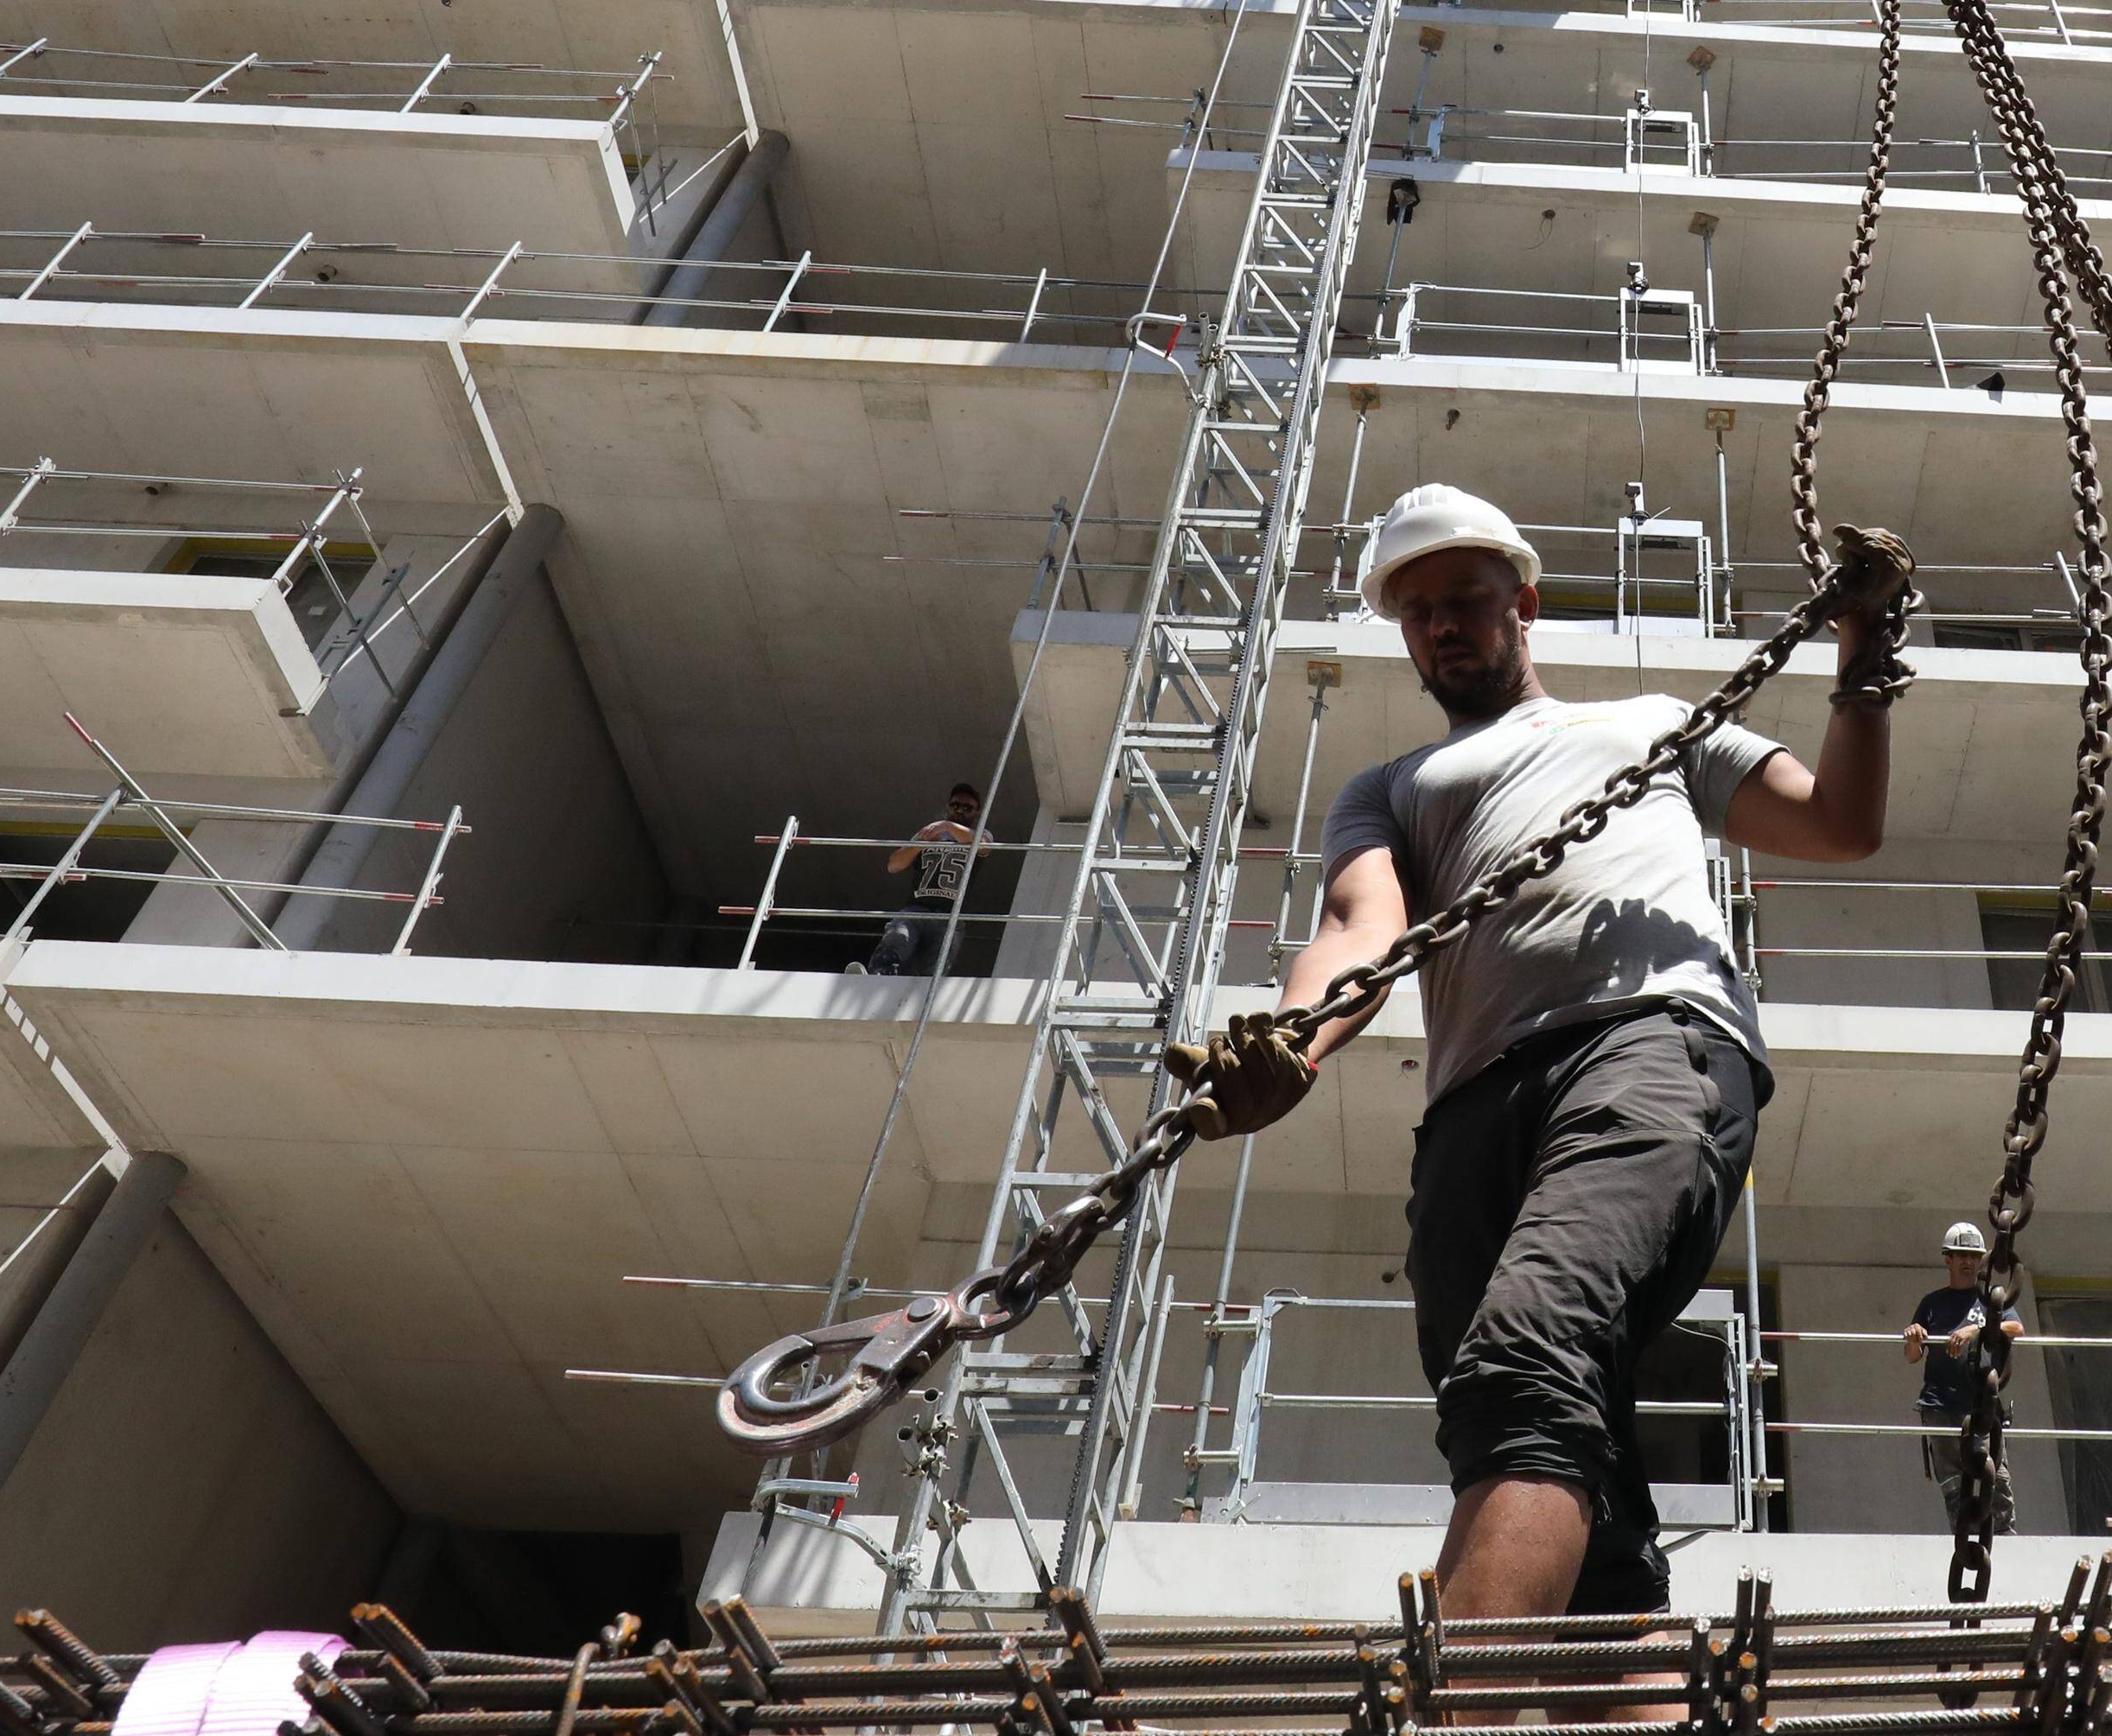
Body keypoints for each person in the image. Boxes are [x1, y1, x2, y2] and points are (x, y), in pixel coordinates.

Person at [1161, 482, 1901, 1622]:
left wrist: (1862, 664)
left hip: (1644, 1048)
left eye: (1466, 597)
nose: (1444, 623)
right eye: (1419, 612)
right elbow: (1363, 929)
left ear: (1524, 603)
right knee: (1527, 1439)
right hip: (1469, 1118)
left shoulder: (1656, 723)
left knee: (1526, 1358)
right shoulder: (1389, 788)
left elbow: (1840, 823)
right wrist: (1287, 1050)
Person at [1905, 1219, 2021, 1524]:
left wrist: (1976, 1329)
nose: (1968, 1262)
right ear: (1948, 1259)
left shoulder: (1990, 1301)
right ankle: (1962, 1535)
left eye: (1973, 1257)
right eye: (1961, 1256)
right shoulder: (1932, 1304)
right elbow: (1913, 1357)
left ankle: (2005, 1535)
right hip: (1939, 1405)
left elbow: (2016, 1327)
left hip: (1981, 1406)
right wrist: (1915, 1334)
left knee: (1995, 1477)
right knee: (1954, 1484)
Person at [854, 782, 984, 976]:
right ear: (948, 807)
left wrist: (946, 825)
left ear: (977, 813)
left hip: (950, 916)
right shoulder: (928, 833)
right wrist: (921, 844)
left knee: (933, 968)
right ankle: (879, 976)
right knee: (897, 939)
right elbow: (894, 865)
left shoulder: (980, 835)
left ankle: (919, 1001)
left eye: (967, 808)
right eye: (955, 805)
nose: (960, 811)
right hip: (917, 908)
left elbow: (983, 846)